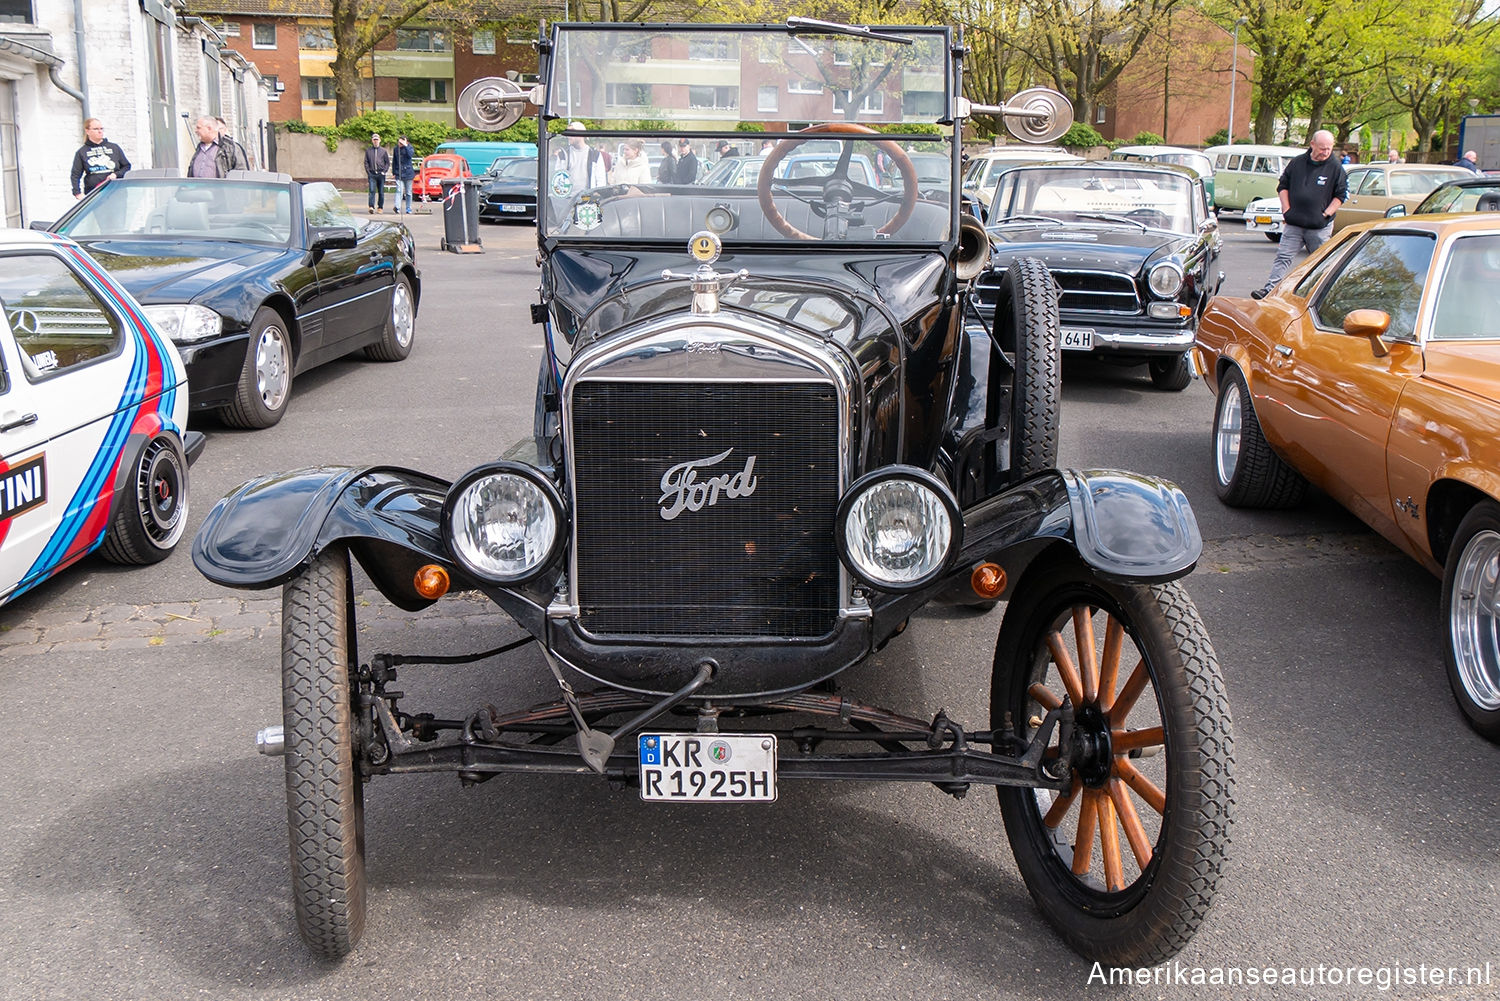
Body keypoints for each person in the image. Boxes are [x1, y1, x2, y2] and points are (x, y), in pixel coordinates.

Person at [1251, 130, 1347, 299]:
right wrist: (1286, 209)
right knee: (1283, 257)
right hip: (1294, 222)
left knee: (1321, 261)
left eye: (1329, 149)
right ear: (1312, 145)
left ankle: (1321, 295)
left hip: (1319, 226)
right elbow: (1283, 186)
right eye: (1322, 148)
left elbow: (1340, 196)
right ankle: (1270, 290)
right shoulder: (1297, 163)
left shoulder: (1336, 168)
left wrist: (1325, 214)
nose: (1325, 152)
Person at [70, 118, 130, 198]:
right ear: (87, 131)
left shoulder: (114, 147)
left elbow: (126, 166)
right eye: (96, 129)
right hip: (94, 194)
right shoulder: (82, 152)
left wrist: (116, 174)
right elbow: (75, 175)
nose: (100, 131)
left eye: (101, 128)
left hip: (116, 192)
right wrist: (77, 193)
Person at [555, 122, 606, 189]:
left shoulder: (595, 154)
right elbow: (557, 178)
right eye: (568, 133)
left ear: (581, 134)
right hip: (567, 198)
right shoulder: (563, 154)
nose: (568, 136)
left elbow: (601, 181)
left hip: (588, 197)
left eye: (572, 132)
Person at [364, 133, 390, 213]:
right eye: (374, 140)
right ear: (372, 140)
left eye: (377, 140)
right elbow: (366, 162)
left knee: (381, 191)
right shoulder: (368, 151)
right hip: (372, 174)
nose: (375, 141)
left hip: (381, 174)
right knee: (372, 190)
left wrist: (384, 171)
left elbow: (387, 163)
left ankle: (380, 207)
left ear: (379, 140)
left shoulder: (383, 151)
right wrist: (368, 172)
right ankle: (371, 206)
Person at [393, 135, 416, 214]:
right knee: (399, 190)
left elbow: (410, 155)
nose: (400, 144)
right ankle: (397, 207)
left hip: (408, 173)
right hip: (399, 173)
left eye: (402, 142)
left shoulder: (409, 148)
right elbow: (394, 160)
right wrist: (394, 172)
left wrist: (405, 146)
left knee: (408, 192)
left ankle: (408, 208)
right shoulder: (396, 149)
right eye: (399, 142)